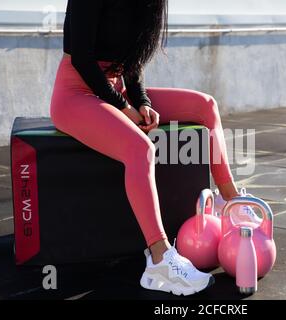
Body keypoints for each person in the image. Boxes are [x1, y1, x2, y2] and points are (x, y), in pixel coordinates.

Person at [50, 0, 244, 296]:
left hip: (117, 91)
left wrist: (142, 102)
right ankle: (159, 260)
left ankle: (229, 201)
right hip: (76, 93)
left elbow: (133, 63)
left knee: (206, 106)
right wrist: (123, 106)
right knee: (140, 148)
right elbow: (81, 59)